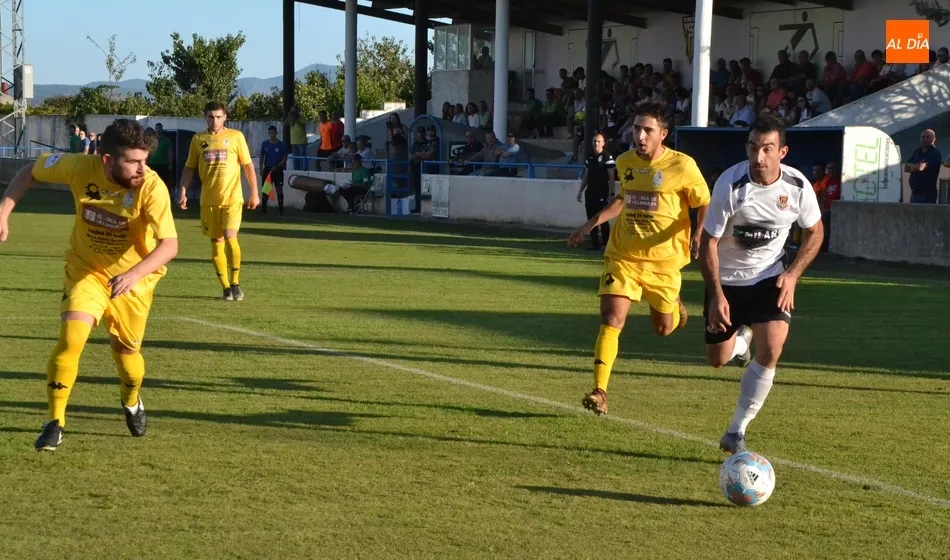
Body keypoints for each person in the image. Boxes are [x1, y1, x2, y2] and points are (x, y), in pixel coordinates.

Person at [0, 119, 179, 451]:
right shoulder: (79, 167)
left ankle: (131, 399)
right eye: (134, 161)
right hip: (87, 269)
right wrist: (3, 211)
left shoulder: (151, 187)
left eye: (145, 160)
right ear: (107, 160)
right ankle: (54, 421)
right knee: (71, 337)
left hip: (135, 281)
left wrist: (133, 275)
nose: (143, 168)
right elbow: (29, 172)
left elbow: (170, 245)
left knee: (126, 355)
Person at [568, 101, 710, 415]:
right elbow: (623, 199)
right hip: (624, 255)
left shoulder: (682, 165)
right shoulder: (625, 161)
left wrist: (699, 233)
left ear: (663, 134)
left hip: (664, 261)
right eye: (636, 128)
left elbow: (703, 202)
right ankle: (600, 391)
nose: (640, 136)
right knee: (611, 319)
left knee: (663, 329)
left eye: (648, 130)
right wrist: (590, 224)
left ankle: (674, 305)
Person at [699, 114, 823, 455]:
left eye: (767, 148)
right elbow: (708, 243)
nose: (758, 157)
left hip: (770, 278)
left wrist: (792, 275)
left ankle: (736, 430)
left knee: (771, 350)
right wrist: (716, 296)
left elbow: (815, 232)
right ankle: (740, 344)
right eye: (753, 147)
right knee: (716, 359)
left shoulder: (797, 186)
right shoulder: (730, 184)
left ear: (782, 152)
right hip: (726, 282)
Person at [178, 101, 259, 301]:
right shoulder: (198, 139)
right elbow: (189, 167)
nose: (214, 120)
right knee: (217, 243)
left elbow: (248, 166)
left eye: (218, 117)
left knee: (231, 238)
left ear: (225, 117)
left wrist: (254, 193)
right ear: (205, 117)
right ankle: (225, 288)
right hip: (209, 200)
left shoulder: (236, 137)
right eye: (211, 116)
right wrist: (183, 191)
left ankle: (235, 283)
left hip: (232, 198)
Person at [575, 133, 616, 251]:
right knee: (591, 218)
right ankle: (594, 243)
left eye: (598, 141)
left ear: (603, 143)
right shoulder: (590, 156)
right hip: (590, 192)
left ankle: (605, 242)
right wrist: (580, 191)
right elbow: (586, 175)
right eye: (594, 141)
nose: (596, 143)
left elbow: (611, 177)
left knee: (602, 218)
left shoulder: (607, 157)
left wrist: (611, 194)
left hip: (602, 192)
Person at [259, 125, 288, 216]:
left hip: (278, 170)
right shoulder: (265, 144)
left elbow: (284, 158)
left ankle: (281, 211)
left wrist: (277, 166)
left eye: (273, 133)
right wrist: (261, 168)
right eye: (270, 133)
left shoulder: (281, 145)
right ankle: (263, 210)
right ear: (268, 133)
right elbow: (261, 156)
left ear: (276, 133)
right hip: (267, 169)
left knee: (279, 189)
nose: (272, 134)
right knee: (266, 189)